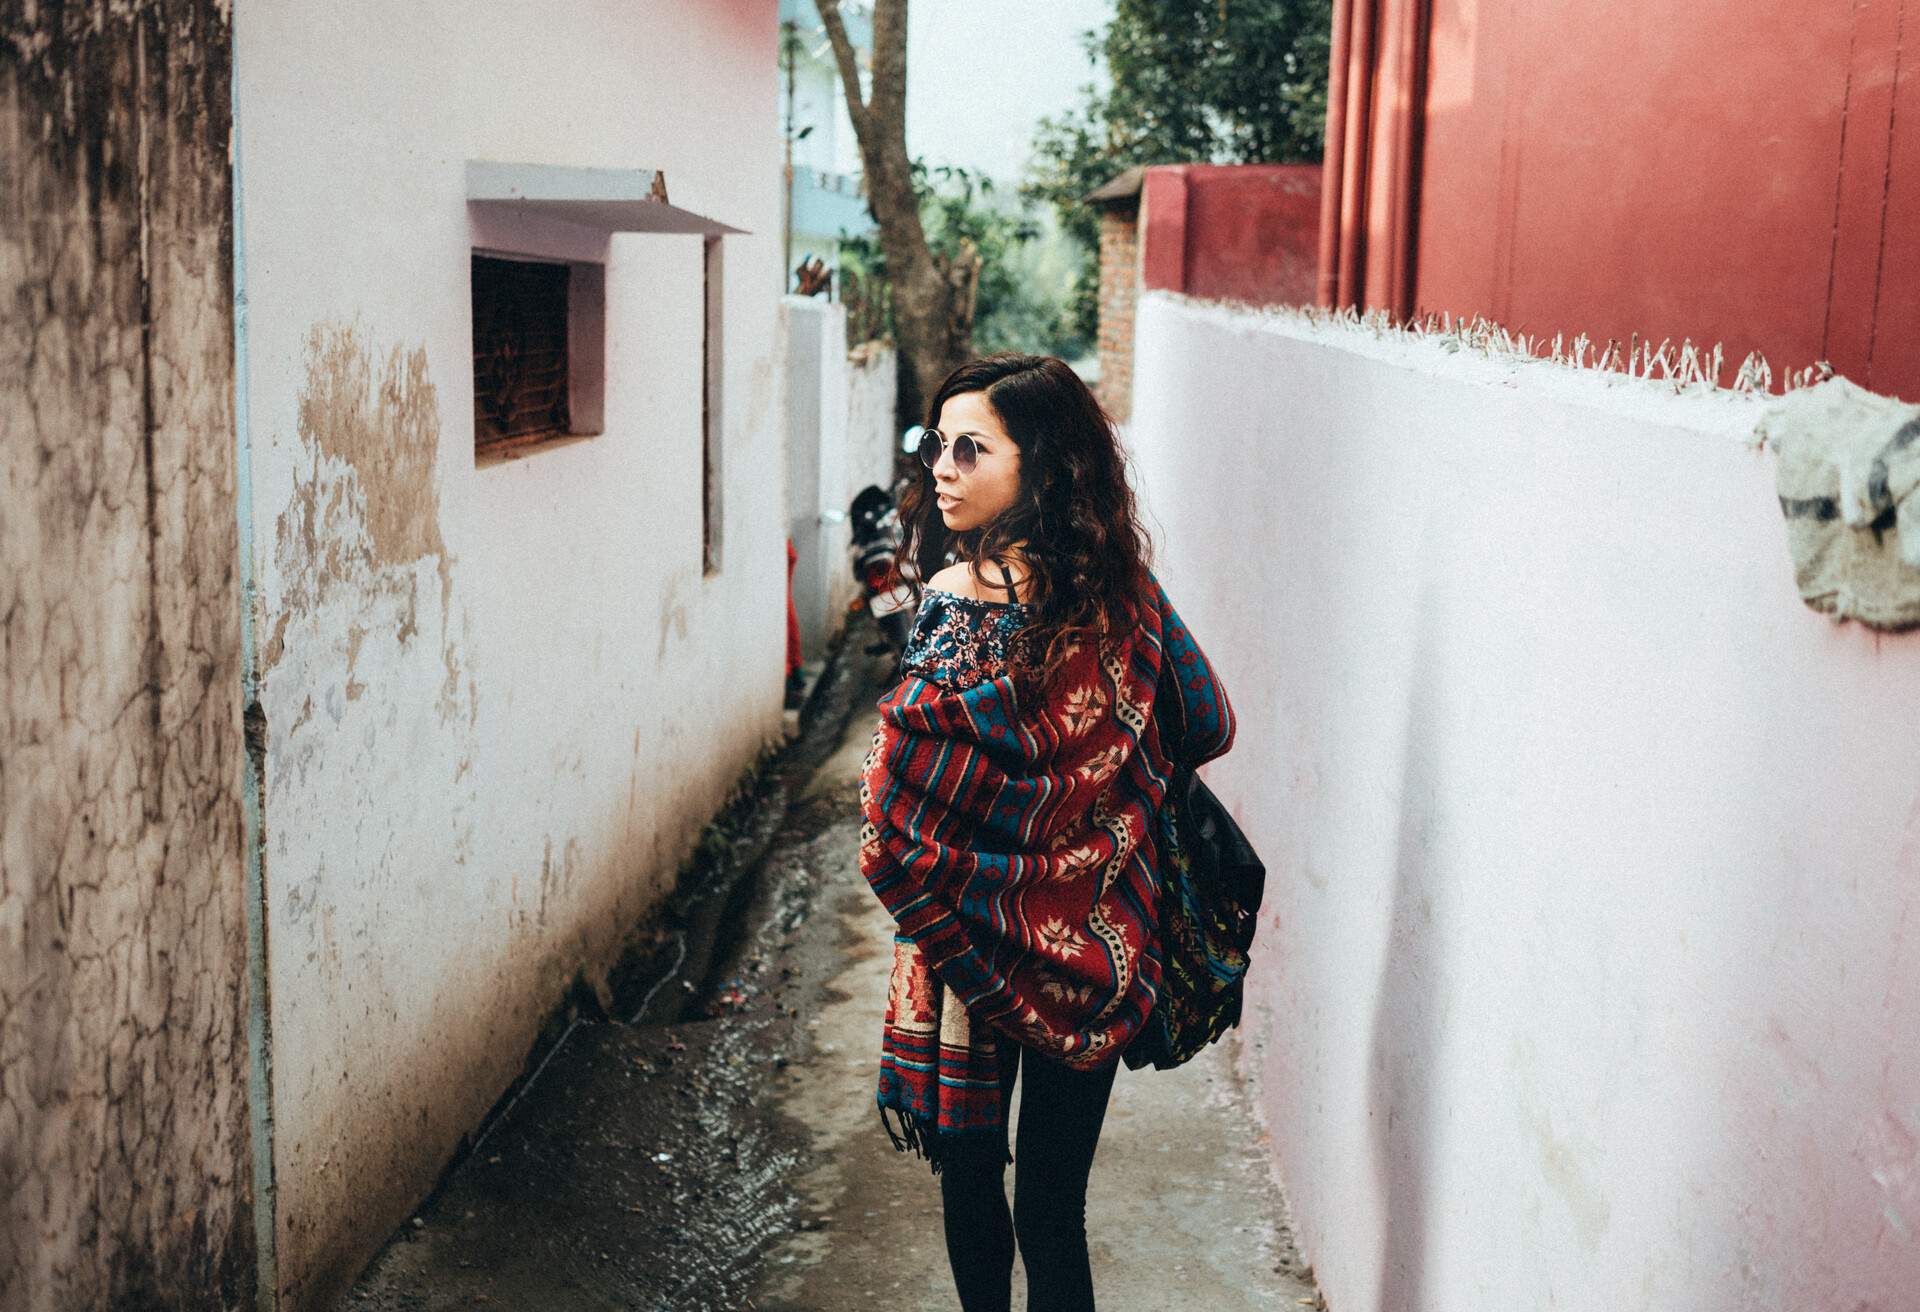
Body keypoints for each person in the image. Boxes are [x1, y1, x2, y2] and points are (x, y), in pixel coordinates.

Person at [857, 354, 1236, 1312]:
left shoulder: (952, 599)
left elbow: (905, 796)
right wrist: (1100, 784)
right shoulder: (1127, 600)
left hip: (966, 947)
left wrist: (998, 826)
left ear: (1043, 468)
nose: (941, 469)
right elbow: (1209, 723)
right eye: (937, 446)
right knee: (1054, 1210)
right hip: (1097, 943)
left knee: (974, 1183)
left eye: (970, 450)